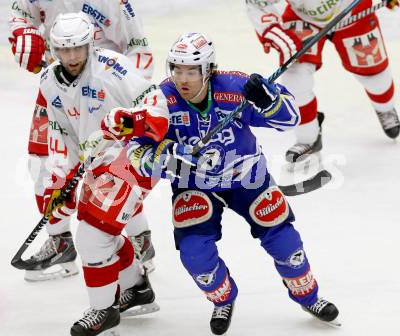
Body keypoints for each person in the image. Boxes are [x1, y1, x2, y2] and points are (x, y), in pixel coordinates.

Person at [103, 32, 340, 335]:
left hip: (248, 178)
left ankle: (309, 296)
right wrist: (169, 156)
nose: (182, 78)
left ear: (209, 70)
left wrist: (271, 102)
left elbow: (290, 119)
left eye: (191, 71)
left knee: (285, 242)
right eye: (176, 69)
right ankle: (224, 299)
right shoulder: (161, 99)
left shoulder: (236, 87)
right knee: (195, 256)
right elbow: (135, 152)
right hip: (194, 185)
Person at [8, 0, 156, 280]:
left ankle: (140, 241)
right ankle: (59, 240)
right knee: (42, 162)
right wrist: (24, 34)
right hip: (57, 84)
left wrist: (129, 101)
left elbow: (139, 47)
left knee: (113, 173)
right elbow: (20, 14)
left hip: (105, 92)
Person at [37, 13, 164, 335]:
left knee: (92, 237)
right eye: (64, 51)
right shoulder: (49, 81)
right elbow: (65, 133)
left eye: (77, 48)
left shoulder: (112, 67)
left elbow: (158, 108)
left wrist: (127, 120)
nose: (72, 57)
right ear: (54, 50)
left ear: (89, 44)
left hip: (136, 155)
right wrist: (65, 178)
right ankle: (136, 290)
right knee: (100, 230)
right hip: (99, 165)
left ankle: (103, 311)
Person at [246, 0, 400, 165]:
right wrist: (271, 29)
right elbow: (257, 3)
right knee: (295, 78)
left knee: (376, 79)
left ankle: (385, 108)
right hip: (304, 17)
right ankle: (308, 138)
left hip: (352, 10)